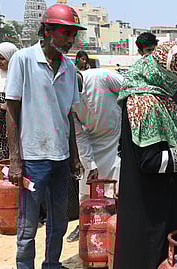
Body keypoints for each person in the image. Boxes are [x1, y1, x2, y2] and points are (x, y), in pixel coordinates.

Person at [114, 41, 177, 269]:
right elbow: (150, 161)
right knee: (151, 256)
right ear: (161, 72)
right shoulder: (145, 102)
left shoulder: (159, 97)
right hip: (151, 207)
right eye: (176, 78)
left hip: (161, 200)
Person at [5, 4, 84, 268]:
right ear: (48, 30)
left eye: (74, 34)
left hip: (60, 157)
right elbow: (12, 110)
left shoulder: (70, 69)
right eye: (66, 33)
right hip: (33, 158)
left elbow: (68, 116)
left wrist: (74, 156)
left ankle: (52, 263)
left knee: (59, 219)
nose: (71, 40)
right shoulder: (24, 60)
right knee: (28, 225)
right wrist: (15, 159)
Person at [66, 68, 124, 242]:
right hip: (90, 141)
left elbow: (130, 92)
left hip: (116, 138)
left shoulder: (104, 77)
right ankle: (86, 224)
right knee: (86, 187)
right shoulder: (65, 96)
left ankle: (115, 226)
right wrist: (89, 161)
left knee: (116, 187)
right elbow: (78, 133)